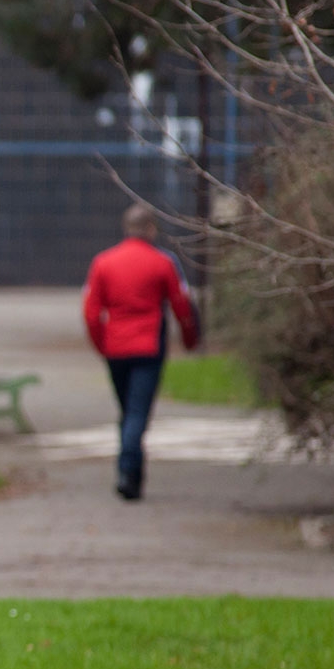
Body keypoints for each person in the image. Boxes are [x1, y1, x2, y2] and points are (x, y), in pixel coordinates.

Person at [83, 203, 201, 501]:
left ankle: (132, 473)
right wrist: (189, 340)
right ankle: (128, 472)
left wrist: (101, 344)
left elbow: (91, 311)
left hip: (115, 347)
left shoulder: (103, 262)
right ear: (151, 229)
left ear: (126, 228)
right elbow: (181, 305)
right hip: (148, 346)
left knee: (127, 410)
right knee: (137, 412)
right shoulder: (163, 263)